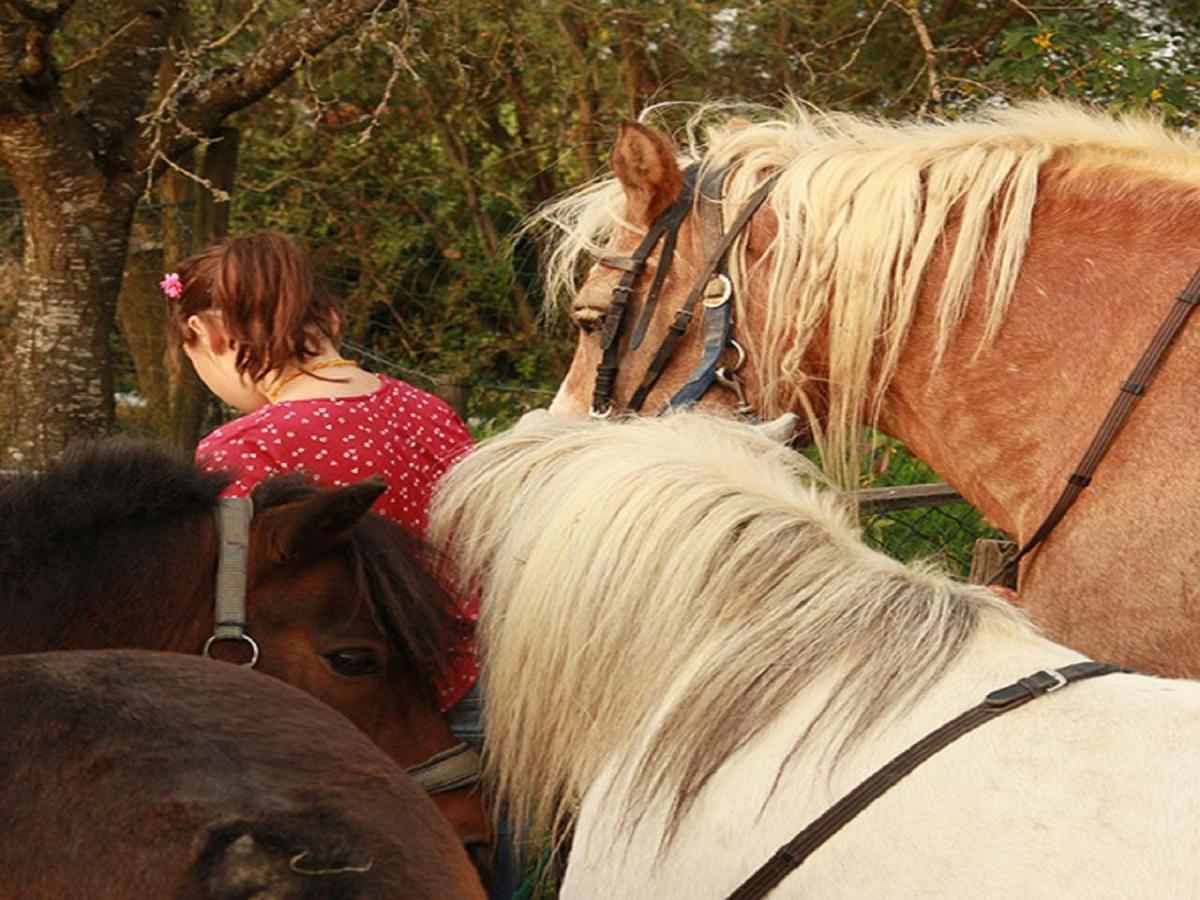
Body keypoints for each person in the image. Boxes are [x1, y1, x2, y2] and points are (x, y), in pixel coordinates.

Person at [166, 231, 480, 719]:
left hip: (380, 713)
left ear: (209, 334)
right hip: (492, 684)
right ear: (331, 318)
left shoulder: (243, 449)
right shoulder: (431, 412)